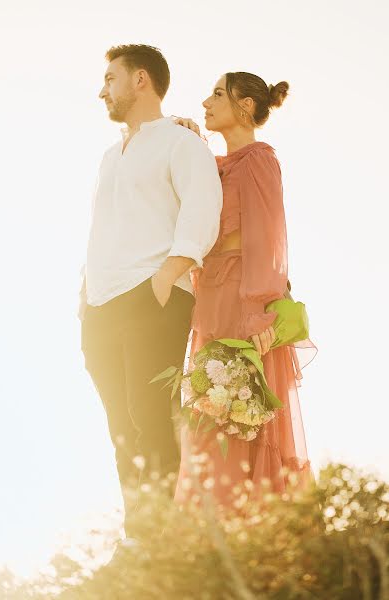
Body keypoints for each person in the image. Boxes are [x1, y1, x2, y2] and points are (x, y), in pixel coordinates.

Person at [78, 44, 223, 537]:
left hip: (153, 296)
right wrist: (84, 293)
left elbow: (202, 207)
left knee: (153, 419)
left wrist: (169, 274)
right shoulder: (108, 157)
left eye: (110, 79)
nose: (102, 91)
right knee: (122, 430)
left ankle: (166, 537)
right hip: (100, 304)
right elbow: (103, 228)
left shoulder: (182, 142)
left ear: (141, 80)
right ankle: (139, 537)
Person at [173, 72, 318, 509]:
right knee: (212, 407)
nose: (205, 101)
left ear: (247, 106)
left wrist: (259, 310)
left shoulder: (258, 159)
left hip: (243, 296)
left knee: (242, 410)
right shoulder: (215, 164)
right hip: (211, 297)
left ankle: (251, 523)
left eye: (218, 94)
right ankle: (214, 521)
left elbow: (267, 236)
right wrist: (187, 140)